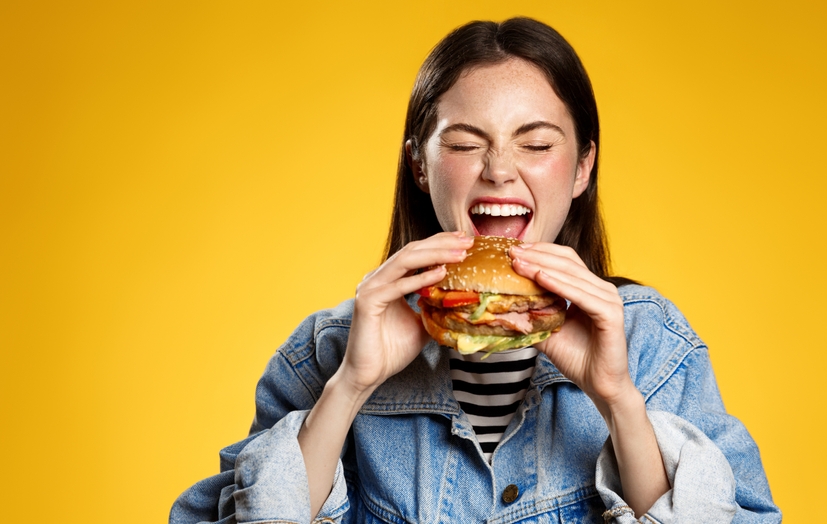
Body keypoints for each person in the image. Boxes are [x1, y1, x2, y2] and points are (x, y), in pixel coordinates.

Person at [170, 17, 781, 524]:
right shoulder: (328, 352)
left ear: (582, 168)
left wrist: (618, 398)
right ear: (419, 164)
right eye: (464, 143)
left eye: (536, 144)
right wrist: (349, 387)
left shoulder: (651, 343)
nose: (499, 170)